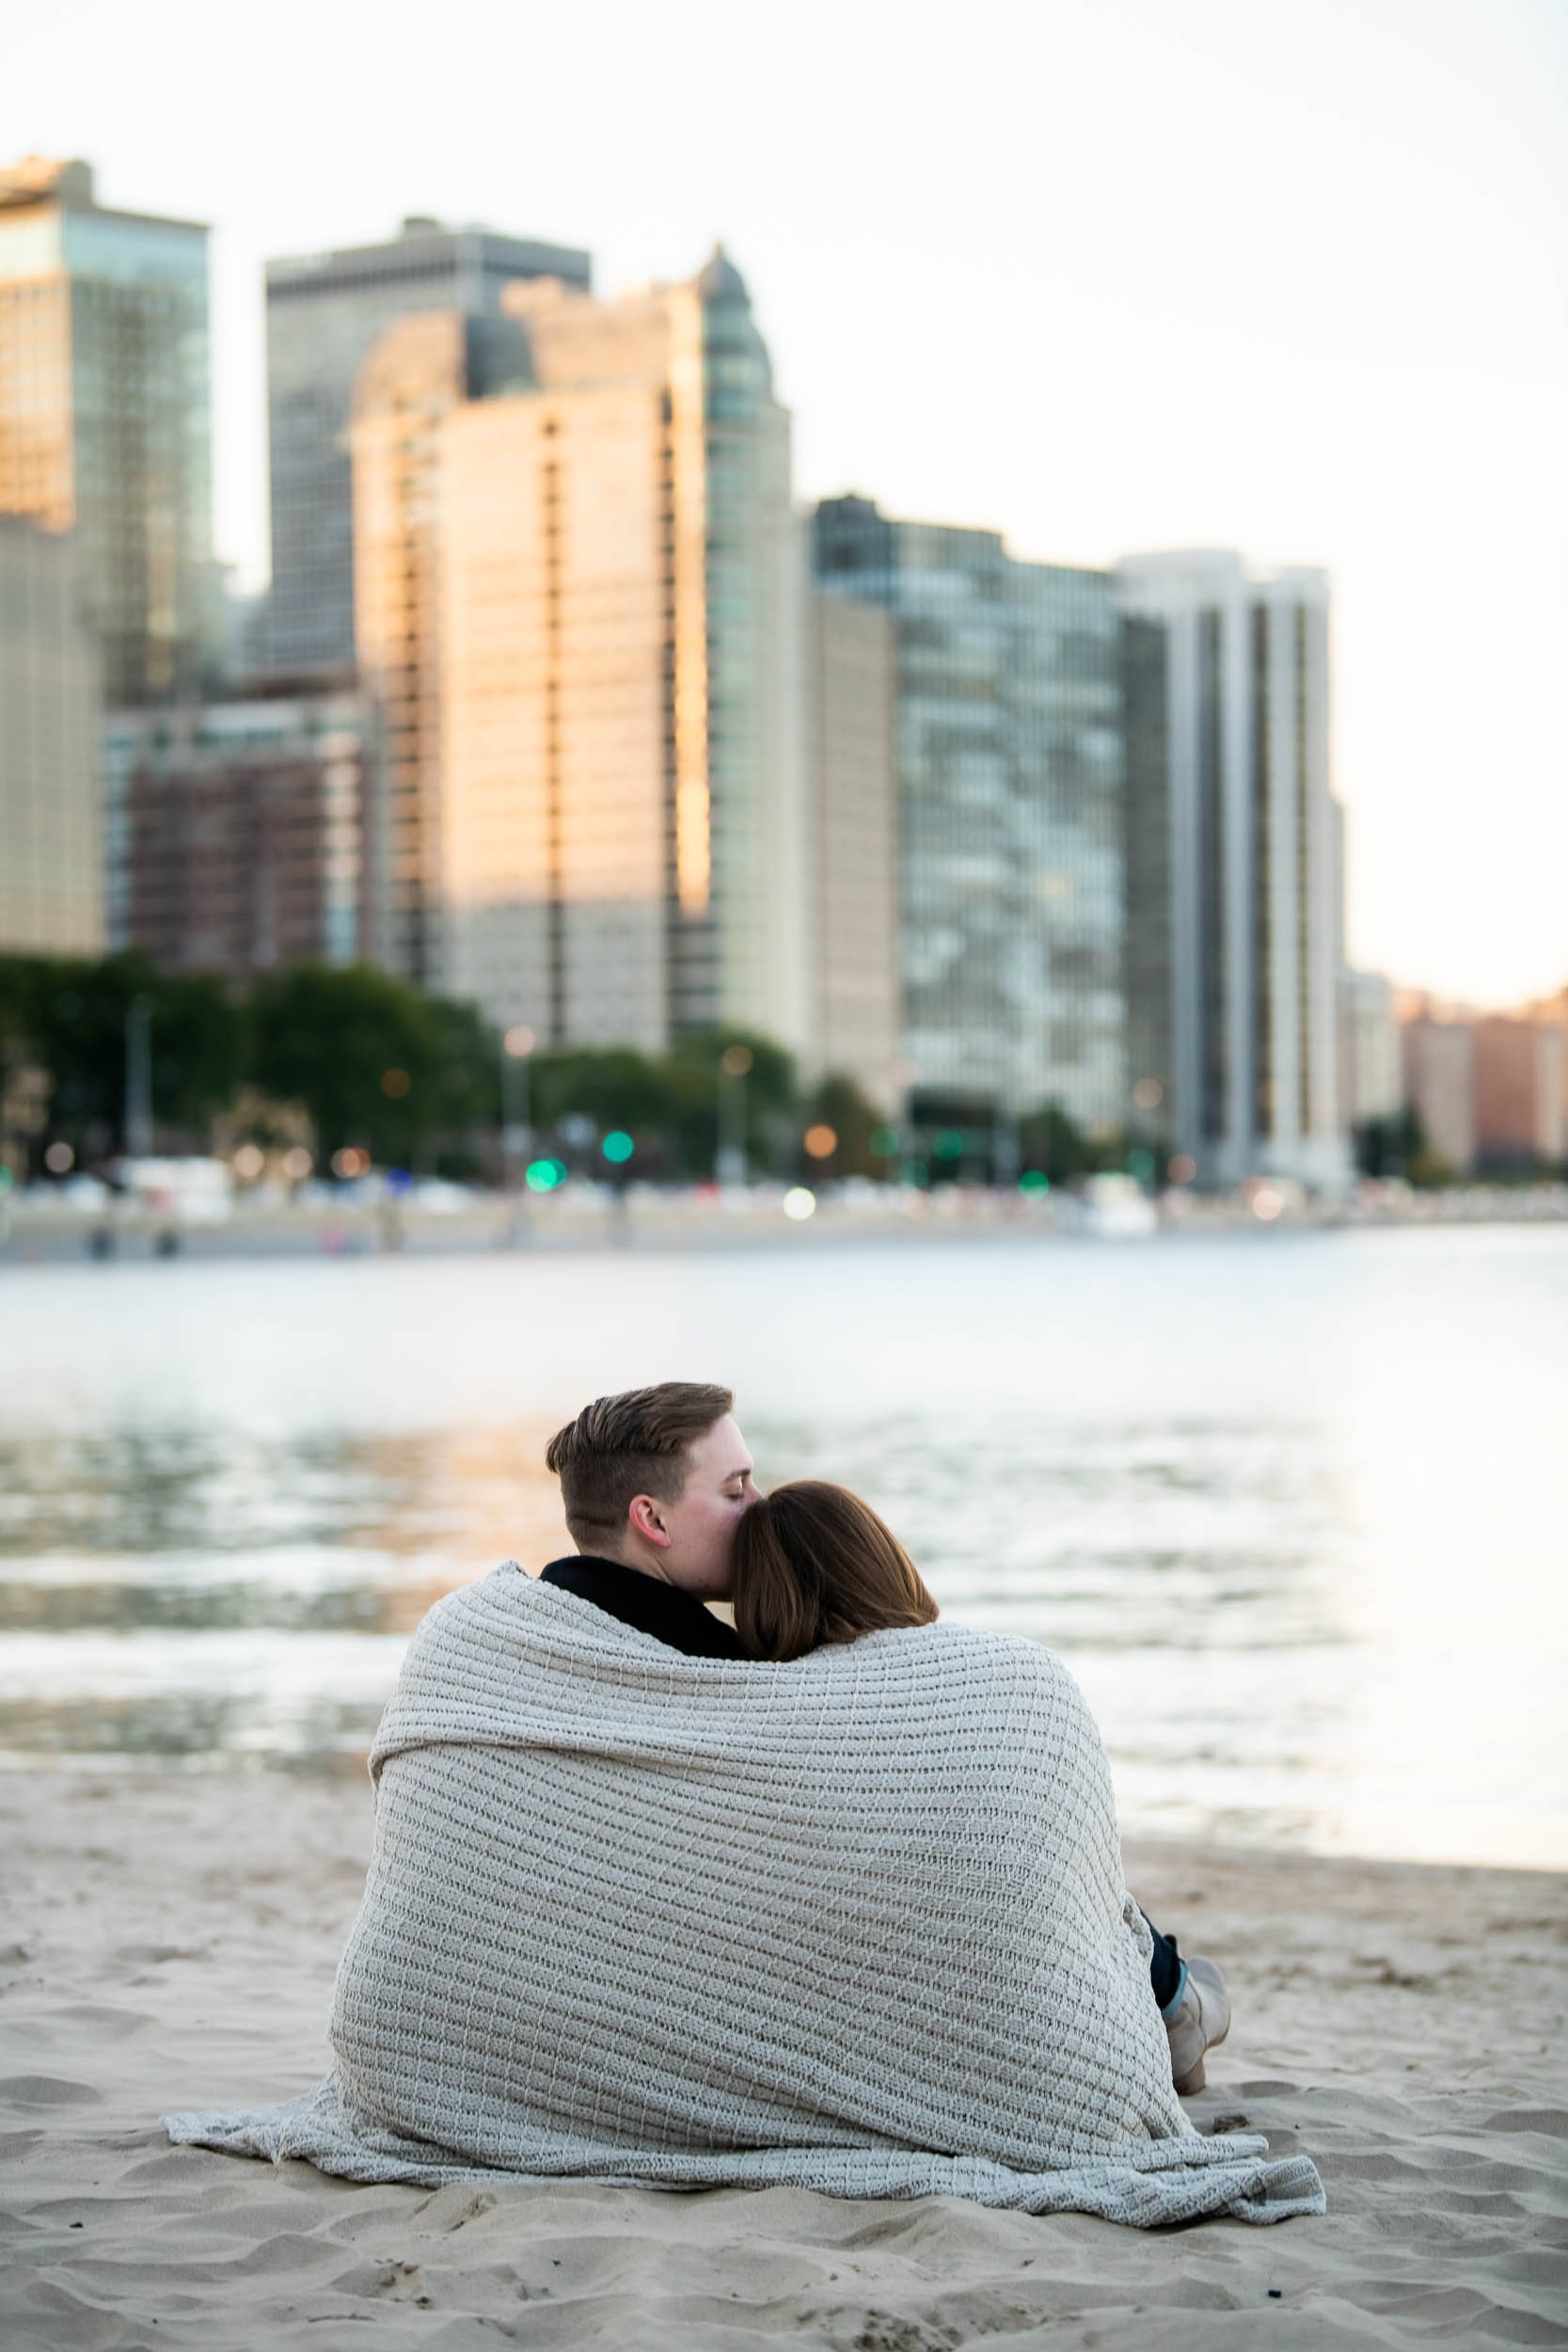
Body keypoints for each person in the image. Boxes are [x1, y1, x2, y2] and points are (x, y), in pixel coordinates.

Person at [541, 1381, 1229, 2095]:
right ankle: (1174, 1996)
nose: (758, 1508)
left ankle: (1173, 1993)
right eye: (736, 1488)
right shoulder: (717, 1681)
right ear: (650, 1517)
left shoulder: (533, 1636)